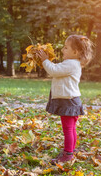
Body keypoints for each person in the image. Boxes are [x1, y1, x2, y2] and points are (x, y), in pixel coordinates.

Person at [36, 35, 94, 164]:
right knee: (70, 128)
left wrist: (45, 60)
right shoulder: (71, 63)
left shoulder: (72, 64)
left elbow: (54, 70)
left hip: (68, 102)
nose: (63, 50)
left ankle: (68, 154)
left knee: (68, 129)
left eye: (66, 48)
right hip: (70, 100)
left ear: (75, 52)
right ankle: (69, 151)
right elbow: (58, 69)